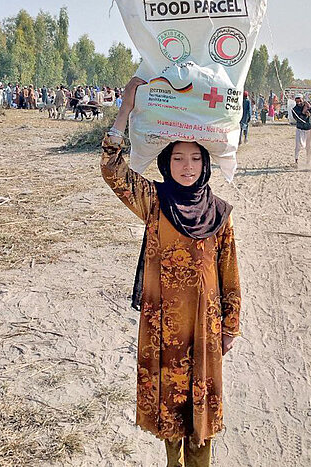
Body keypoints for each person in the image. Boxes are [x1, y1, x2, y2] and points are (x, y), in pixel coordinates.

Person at [102, 76, 241, 467]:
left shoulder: (220, 213)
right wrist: (125, 108)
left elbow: (229, 274)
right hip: (163, 327)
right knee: (170, 411)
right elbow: (113, 170)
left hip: (205, 329)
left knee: (202, 417)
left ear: (206, 163)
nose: (187, 166)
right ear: (166, 162)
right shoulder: (153, 201)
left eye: (195, 158)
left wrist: (230, 326)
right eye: (178, 158)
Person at [291, 94, 311, 165]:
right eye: (297, 102)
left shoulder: (308, 105)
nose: (298, 103)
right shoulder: (294, 109)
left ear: (303, 99)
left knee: (310, 146)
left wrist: (310, 108)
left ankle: (308, 161)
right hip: (300, 129)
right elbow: (299, 119)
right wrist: (303, 113)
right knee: (298, 146)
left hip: (309, 128)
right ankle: (296, 161)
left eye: (300, 101)